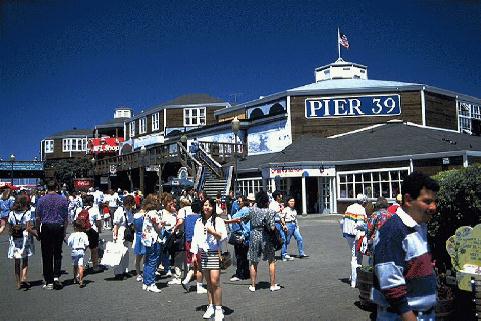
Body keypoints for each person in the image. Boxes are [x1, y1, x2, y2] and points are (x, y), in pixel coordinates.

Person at [372, 172, 439, 321]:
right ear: (408, 200)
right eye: (427, 201)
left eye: (435, 201)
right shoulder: (392, 232)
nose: (434, 207)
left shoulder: (419, 226)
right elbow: (391, 286)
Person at [190, 198, 228, 321]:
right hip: (203, 254)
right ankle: (210, 306)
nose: (207, 207)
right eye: (205, 205)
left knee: (215, 281)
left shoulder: (218, 220)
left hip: (215, 253)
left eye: (210, 205)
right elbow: (195, 238)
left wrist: (213, 233)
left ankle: (218, 308)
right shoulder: (199, 221)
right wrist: (194, 254)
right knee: (208, 283)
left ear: (213, 208)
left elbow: (223, 237)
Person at [237, 190, 281, 292]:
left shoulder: (252, 210)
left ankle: (253, 285)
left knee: (253, 261)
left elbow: (243, 219)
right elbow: (272, 227)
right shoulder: (270, 212)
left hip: (254, 236)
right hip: (266, 237)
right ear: (266, 200)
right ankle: (273, 285)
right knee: (271, 261)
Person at [35, 180, 69, 290]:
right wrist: (64, 231)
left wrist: (38, 231)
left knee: (46, 254)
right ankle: (56, 277)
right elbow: (65, 218)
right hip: (58, 226)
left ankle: (49, 281)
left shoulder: (41, 200)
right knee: (58, 252)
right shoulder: (63, 200)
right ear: (56, 187)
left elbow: (38, 218)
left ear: (47, 188)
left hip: (46, 227)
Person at [7, 194, 38, 289]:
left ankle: (17, 282)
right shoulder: (27, 213)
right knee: (25, 260)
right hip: (24, 238)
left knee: (16, 261)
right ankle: (24, 277)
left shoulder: (11, 213)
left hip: (15, 238)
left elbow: (10, 226)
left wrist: (11, 234)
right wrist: (36, 235)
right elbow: (28, 228)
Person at [341, 193, 368, 288]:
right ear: (364, 202)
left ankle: (354, 276)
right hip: (356, 235)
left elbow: (342, 221)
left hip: (348, 234)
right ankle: (354, 281)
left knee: (357, 255)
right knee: (355, 257)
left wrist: (344, 232)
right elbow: (360, 225)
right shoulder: (361, 209)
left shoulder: (349, 207)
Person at [182, 199, 207, 293]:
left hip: (187, 242)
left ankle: (187, 280)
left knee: (193, 264)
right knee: (200, 264)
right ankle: (198, 285)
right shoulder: (200, 218)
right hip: (196, 243)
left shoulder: (187, 217)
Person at [140, 194, 163, 293]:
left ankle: (146, 282)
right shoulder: (154, 213)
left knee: (147, 261)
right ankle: (151, 283)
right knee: (153, 261)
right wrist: (162, 224)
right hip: (153, 239)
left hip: (146, 239)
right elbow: (158, 227)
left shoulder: (146, 213)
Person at [75, 194, 102, 272]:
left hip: (81, 231)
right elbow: (98, 222)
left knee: (81, 249)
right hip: (91, 231)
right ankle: (95, 266)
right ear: (91, 202)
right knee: (94, 249)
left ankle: (79, 267)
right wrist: (99, 230)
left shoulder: (79, 210)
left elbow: (75, 221)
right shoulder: (94, 209)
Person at [112, 194, 136, 279]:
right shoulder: (119, 210)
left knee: (126, 252)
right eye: (130, 204)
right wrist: (115, 236)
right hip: (120, 232)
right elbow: (116, 224)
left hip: (127, 232)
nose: (131, 206)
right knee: (119, 253)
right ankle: (118, 273)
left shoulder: (130, 210)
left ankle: (125, 270)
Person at [229, 195, 251, 281]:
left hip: (241, 235)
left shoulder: (244, 211)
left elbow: (235, 218)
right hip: (244, 235)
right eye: (237, 201)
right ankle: (245, 273)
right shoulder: (245, 210)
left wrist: (243, 235)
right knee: (243, 256)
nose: (238, 203)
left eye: (239, 201)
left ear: (244, 202)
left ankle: (240, 274)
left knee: (240, 255)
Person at [67, 221, 89, 288]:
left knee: (75, 265)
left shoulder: (72, 235)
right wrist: (84, 249)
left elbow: (69, 243)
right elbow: (87, 243)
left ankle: (75, 278)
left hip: (74, 250)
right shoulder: (84, 234)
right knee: (81, 265)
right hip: (81, 250)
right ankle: (81, 280)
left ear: (74, 227)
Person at [269, 190, 290, 261]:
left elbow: (281, 216)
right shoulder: (272, 204)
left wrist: (283, 224)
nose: (281, 196)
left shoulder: (279, 204)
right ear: (277, 196)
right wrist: (280, 209)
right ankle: (272, 256)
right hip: (274, 223)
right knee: (275, 240)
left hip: (279, 223)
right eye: (280, 195)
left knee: (283, 238)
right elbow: (271, 213)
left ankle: (284, 254)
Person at [132, 197, 146, 282]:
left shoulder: (135, 215)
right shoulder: (144, 215)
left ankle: (138, 274)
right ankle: (145, 273)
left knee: (137, 257)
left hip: (137, 236)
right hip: (144, 236)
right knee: (145, 256)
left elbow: (133, 227)